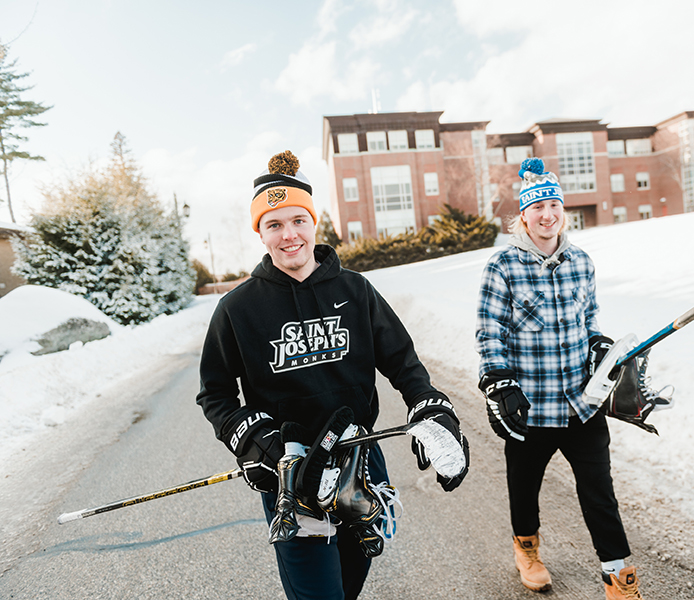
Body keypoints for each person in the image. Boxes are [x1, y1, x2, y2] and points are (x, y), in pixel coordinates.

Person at [197, 150, 469, 600]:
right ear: (260, 233)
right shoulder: (237, 309)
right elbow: (216, 395)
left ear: (313, 222)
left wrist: (429, 404)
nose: (289, 236)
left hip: (360, 459)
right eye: (274, 225)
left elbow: (403, 362)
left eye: (297, 221)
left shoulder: (356, 290)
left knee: (348, 584)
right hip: (290, 470)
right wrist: (248, 438)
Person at [476, 158, 663, 599]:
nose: (547, 215)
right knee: (525, 488)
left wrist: (599, 345)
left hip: (583, 402)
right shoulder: (502, 266)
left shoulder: (581, 262)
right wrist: (499, 382)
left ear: (563, 210)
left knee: (600, 493)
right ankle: (527, 550)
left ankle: (618, 578)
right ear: (523, 215)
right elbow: (490, 333)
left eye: (554, 205)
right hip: (531, 406)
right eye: (537, 207)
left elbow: (590, 320)